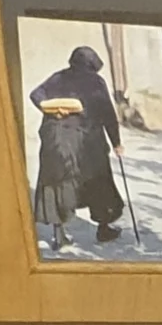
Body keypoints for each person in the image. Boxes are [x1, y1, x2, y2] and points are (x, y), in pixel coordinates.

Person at [30, 44, 126, 249]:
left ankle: (59, 235)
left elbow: (35, 94)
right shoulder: (96, 82)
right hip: (86, 142)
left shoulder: (58, 77)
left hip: (56, 140)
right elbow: (108, 114)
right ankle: (103, 228)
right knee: (98, 181)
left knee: (58, 183)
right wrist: (116, 143)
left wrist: (53, 111)